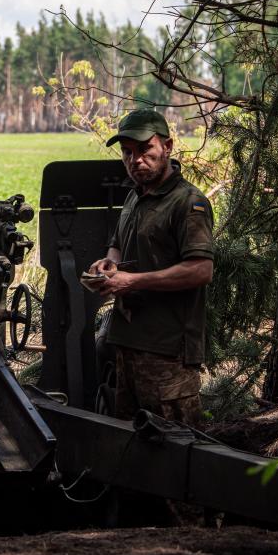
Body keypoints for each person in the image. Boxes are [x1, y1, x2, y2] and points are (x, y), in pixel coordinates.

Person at [88, 110, 214, 426]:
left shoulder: (188, 203)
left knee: (174, 449)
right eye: (127, 152)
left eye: (145, 150)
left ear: (168, 147)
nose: (136, 160)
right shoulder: (135, 196)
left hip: (167, 353)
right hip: (128, 344)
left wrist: (132, 282)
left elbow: (201, 270)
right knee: (134, 447)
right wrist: (109, 264)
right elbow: (118, 244)